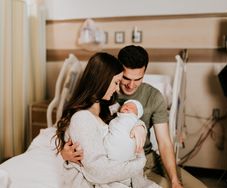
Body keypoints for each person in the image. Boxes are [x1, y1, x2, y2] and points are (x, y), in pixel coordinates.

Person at [61, 46, 207, 188]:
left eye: (138, 79)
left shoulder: (153, 96)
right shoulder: (107, 97)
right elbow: (82, 129)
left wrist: (175, 180)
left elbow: (164, 142)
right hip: (131, 165)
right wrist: (63, 153)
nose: (131, 85)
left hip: (149, 158)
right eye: (124, 79)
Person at [55, 52, 161, 188]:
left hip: (130, 180)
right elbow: (98, 171)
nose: (118, 88)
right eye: (116, 83)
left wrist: (140, 127)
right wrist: (139, 162)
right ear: (102, 81)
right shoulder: (82, 118)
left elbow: (126, 118)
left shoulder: (109, 106)